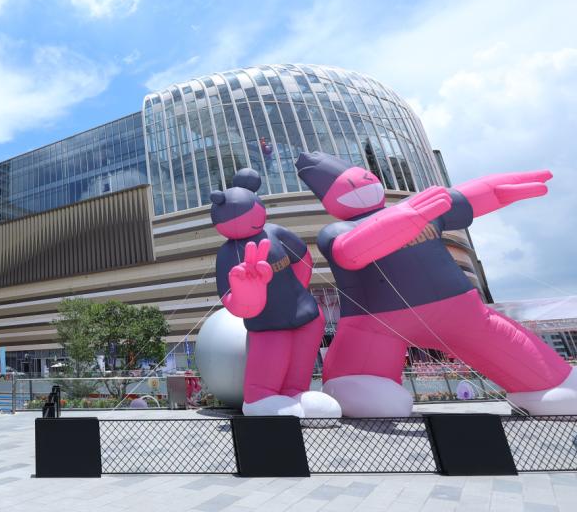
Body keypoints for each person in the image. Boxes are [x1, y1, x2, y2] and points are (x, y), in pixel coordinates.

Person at [296, 151, 577, 416]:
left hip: (461, 313)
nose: (362, 183)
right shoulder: (338, 231)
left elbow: (466, 197)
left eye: (364, 177)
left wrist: (497, 188)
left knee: (532, 368)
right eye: (351, 183)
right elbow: (350, 252)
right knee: (362, 385)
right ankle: (361, 387)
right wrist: (404, 219)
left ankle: (546, 384)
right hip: (377, 324)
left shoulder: (422, 207)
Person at [210, 168, 340, 418]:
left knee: (298, 372)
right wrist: (249, 296)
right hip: (268, 325)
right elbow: (230, 300)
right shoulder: (227, 254)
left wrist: (296, 291)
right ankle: (260, 398)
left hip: (307, 315)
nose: (251, 216)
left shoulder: (274, 232)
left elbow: (302, 258)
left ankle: (296, 394)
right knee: (269, 368)